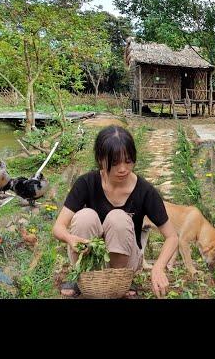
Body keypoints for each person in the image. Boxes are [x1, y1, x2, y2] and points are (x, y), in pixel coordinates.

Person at [52, 125, 178, 298]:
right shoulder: (86, 183)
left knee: (118, 218)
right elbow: (58, 226)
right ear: (100, 160)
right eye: (114, 163)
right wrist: (69, 238)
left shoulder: (145, 191)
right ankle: (84, 277)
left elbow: (172, 236)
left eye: (128, 161)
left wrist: (158, 267)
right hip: (90, 258)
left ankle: (122, 281)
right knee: (84, 217)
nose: (123, 169)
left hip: (126, 260)